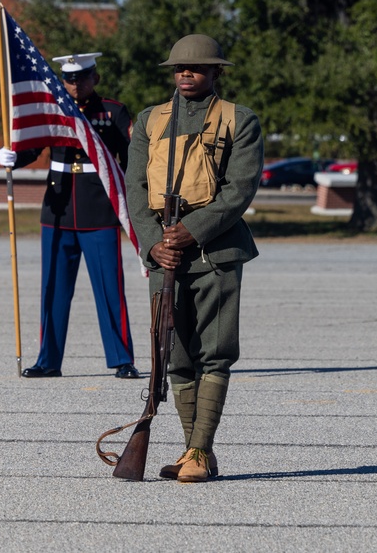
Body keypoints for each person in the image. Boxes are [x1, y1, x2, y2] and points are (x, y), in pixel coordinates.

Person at [125, 34, 262, 483]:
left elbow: (239, 189)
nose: (186, 74)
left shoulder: (239, 120)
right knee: (175, 356)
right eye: (180, 68)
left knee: (215, 354)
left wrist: (192, 231)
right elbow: (135, 191)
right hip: (165, 254)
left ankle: (201, 449)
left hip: (216, 251)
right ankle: (192, 451)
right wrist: (152, 244)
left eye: (197, 68)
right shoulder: (149, 120)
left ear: (216, 72)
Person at [0, 53, 139, 379]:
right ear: (63, 82)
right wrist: (12, 158)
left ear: (96, 78)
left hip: (99, 210)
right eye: (71, 79)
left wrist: (131, 206)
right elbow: (33, 148)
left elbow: (131, 162)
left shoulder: (112, 112)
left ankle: (122, 359)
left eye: (84, 77)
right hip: (58, 211)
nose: (77, 84)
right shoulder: (52, 110)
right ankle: (48, 360)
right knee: (53, 289)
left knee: (109, 288)